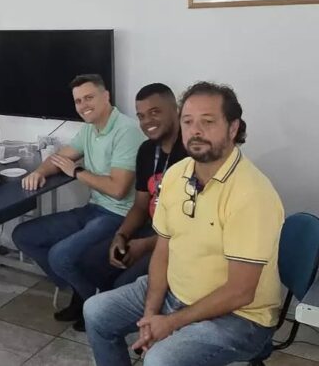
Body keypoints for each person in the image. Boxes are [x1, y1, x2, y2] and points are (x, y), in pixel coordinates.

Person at [84, 82, 284, 366]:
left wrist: (171, 322)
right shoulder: (177, 174)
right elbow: (163, 250)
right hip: (176, 292)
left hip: (240, 316)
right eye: (188, 122)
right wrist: (151, 314)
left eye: (208, 122)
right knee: (95, 311)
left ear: (233, 128)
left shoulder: (252, 194)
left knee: (160, 359)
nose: (196, 131)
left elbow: (240, 291)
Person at [11, 74, 145, 330]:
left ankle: (93, 302)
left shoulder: (126, 131)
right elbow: (59, 158)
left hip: (118, 215)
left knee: (60, 255)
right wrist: (39, 172)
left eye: (89, 98)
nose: (83, 105)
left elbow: (118, 189)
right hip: (92, 209)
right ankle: (81, 291)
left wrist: (77, 172)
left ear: (106, 96)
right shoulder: (89, 129)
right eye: (78, 101)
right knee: (24, 235)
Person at [77, 83, 186, 300]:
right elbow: (140, 205)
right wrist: (122, 235)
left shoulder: (191, 153)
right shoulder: (147, 150)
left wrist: (145, 245)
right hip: (150, 229)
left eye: (155, 112)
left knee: (124, 284)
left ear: (176, 111)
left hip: (179, 240)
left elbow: (192, 226)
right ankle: (106, 307)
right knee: (90, 261)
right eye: (141, 116)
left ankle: (122, 307)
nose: (147, 122)